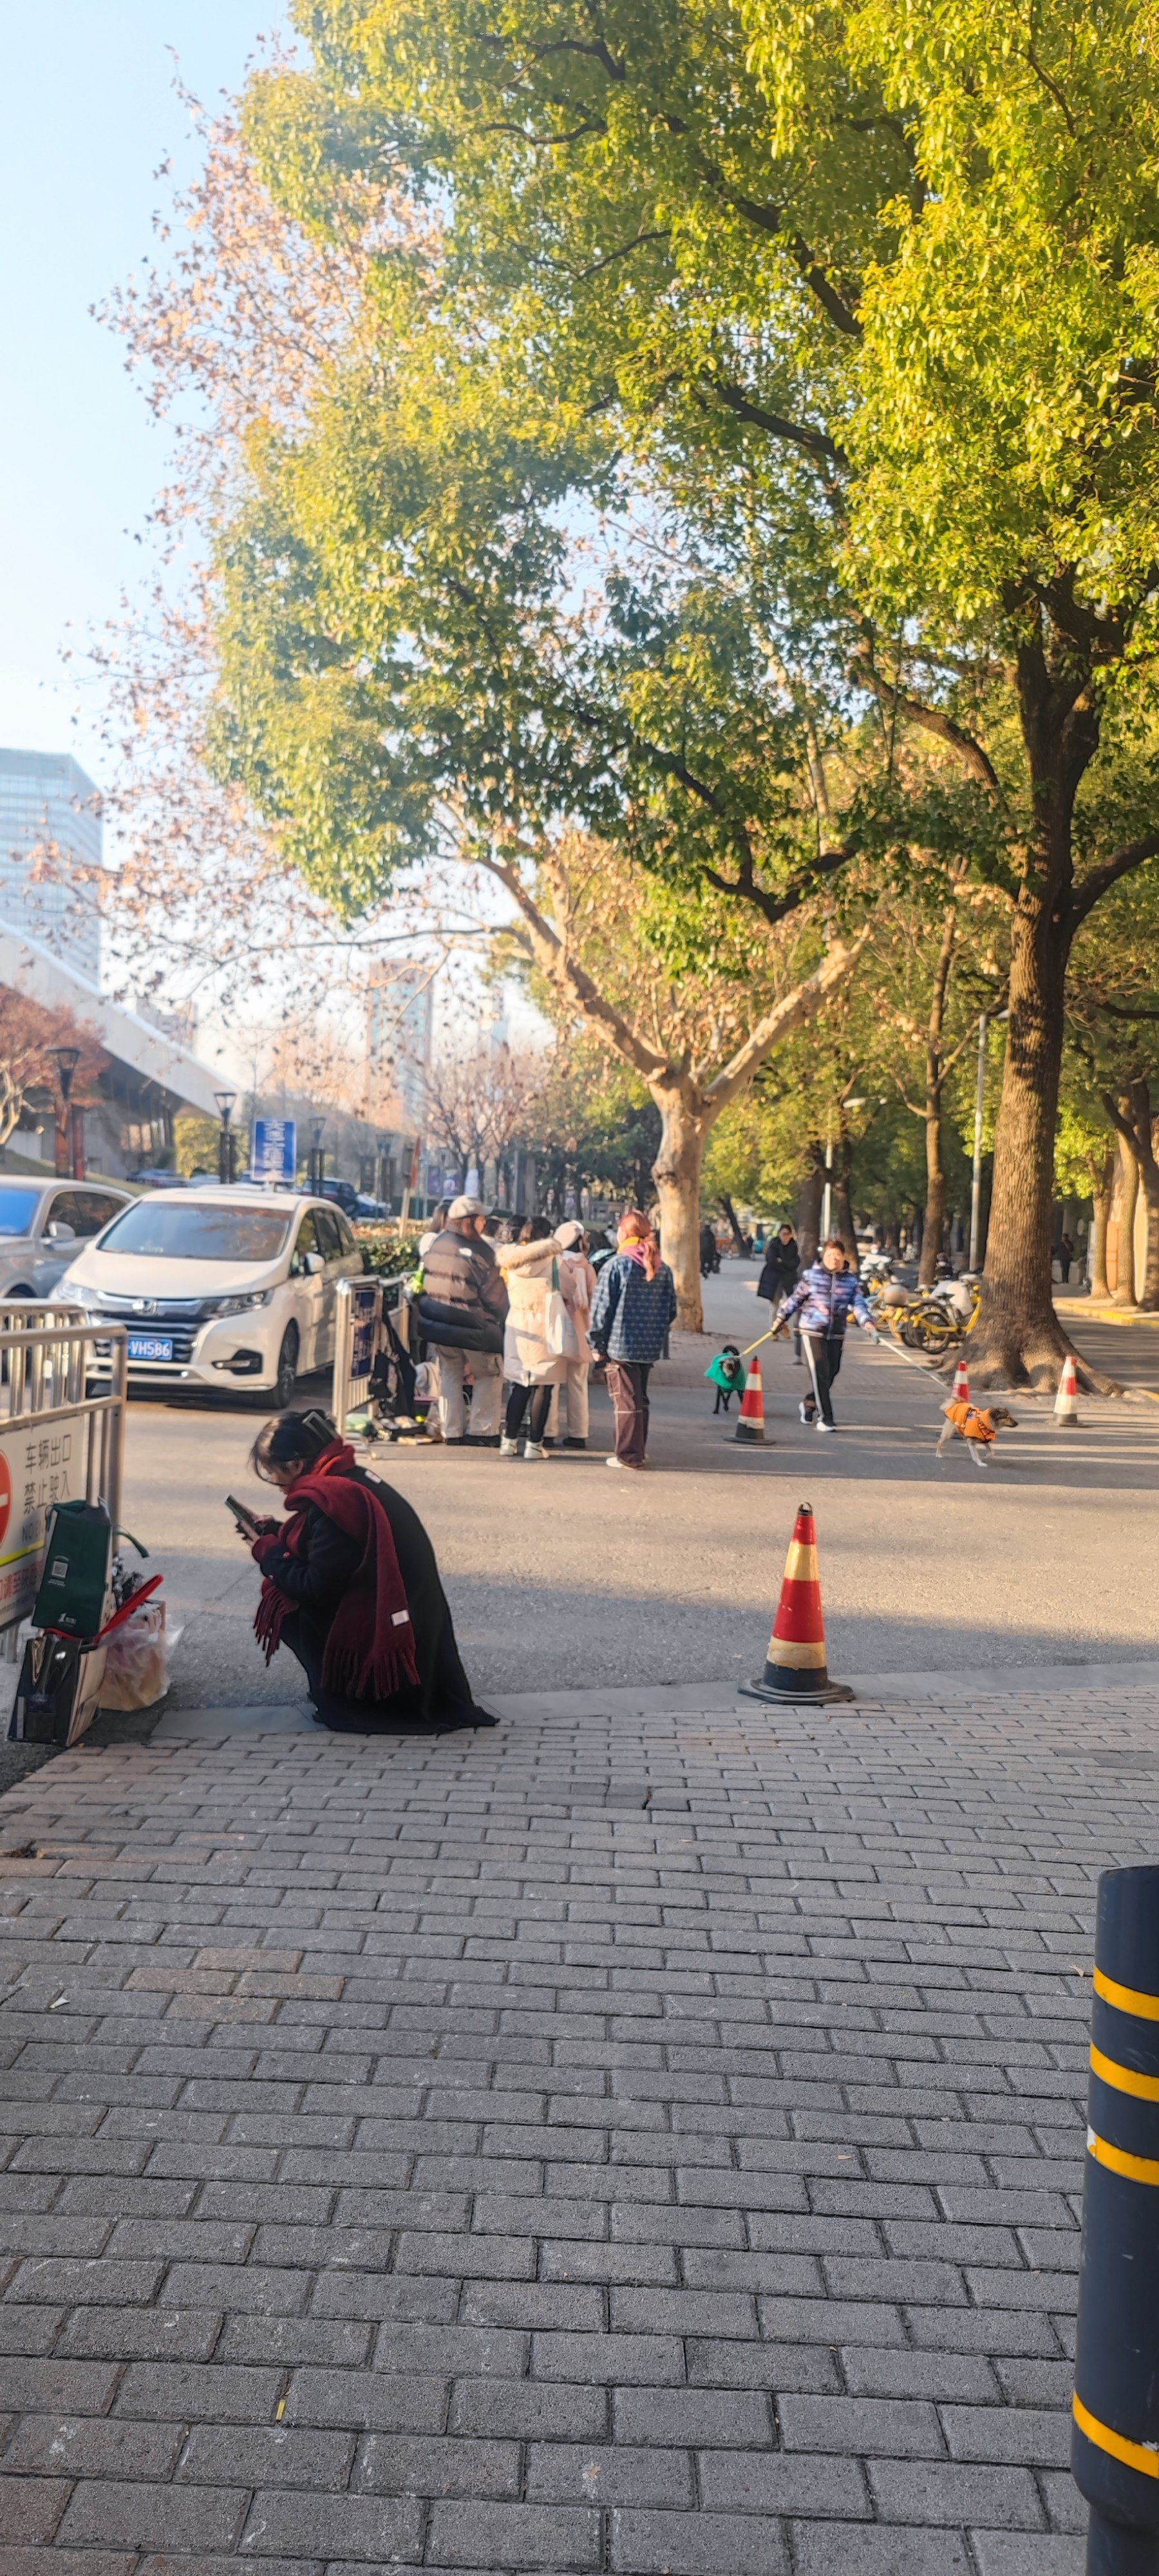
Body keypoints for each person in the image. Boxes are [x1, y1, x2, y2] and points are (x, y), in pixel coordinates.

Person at [241, 1406, 495, 1730]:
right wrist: (276, 1533)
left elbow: (314, 1587)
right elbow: (329, 1552)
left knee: (286, 1599)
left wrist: (269, 1552)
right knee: (284, 1579)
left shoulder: (335, 1499)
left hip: (392, 1639)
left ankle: (350, 1696)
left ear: (296, 1465)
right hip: (418, 1627)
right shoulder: (351, 1479)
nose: (275, 1483)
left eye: (272, 1472)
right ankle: (341, 1686)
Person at [589, 1209, 678, 1470]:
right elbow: (672, 1309)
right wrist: (655, 1331)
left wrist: (596, 1344)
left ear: (625, 1233)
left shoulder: (617, 1265)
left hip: (621, 1345)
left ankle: (628, 1455)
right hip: (649, 1346)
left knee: (626, 1401)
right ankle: (639, 1450)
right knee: (640, 1399)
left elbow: (601, 1309)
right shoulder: (662, 1267)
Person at [414, 1195, 508, 1444]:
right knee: (488, 1373)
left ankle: (451, 1430)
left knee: (450, 1373)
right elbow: (495, 1297)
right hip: (475, 1325)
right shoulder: (483, 1252)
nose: (484, 1222)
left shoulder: (437, 1243)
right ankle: (483, 1430)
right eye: (481, 1218)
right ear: (470, 1221)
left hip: (441, 1325)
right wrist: (500, 1318)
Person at [495, 1217, 582, 1459]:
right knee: (543, 1386)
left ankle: (509, 1441)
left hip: (518, 1326)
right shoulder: (553, 1260)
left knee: (520, 1385)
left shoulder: (511, 1261)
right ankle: (535, 1444)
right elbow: (569, 1288)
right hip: (547, 1325)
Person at [777, 1235, 878, 1432]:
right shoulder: (811, 1276)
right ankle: (826, 1418)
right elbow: (795, 1299)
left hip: (837, 1333)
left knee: (832, 1372)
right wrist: (780, 1318)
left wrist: (868, 1324)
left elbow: (859, 1304)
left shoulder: (850, 1280)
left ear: (843, 1257)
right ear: (824, 1256)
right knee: (820, 1371)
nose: (835, 1258)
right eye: (831, 1254)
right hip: (812, 1329)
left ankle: (809, 1402)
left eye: (838, 1255)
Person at [552, 1220, 598, 1447]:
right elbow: (596, 1299)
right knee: (578, 1384)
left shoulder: (553, 1264)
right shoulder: (586, 1267)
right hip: (581, 1333)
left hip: (554, 1332)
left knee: (550, 1384)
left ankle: (547, 1430)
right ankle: (578, 1433)